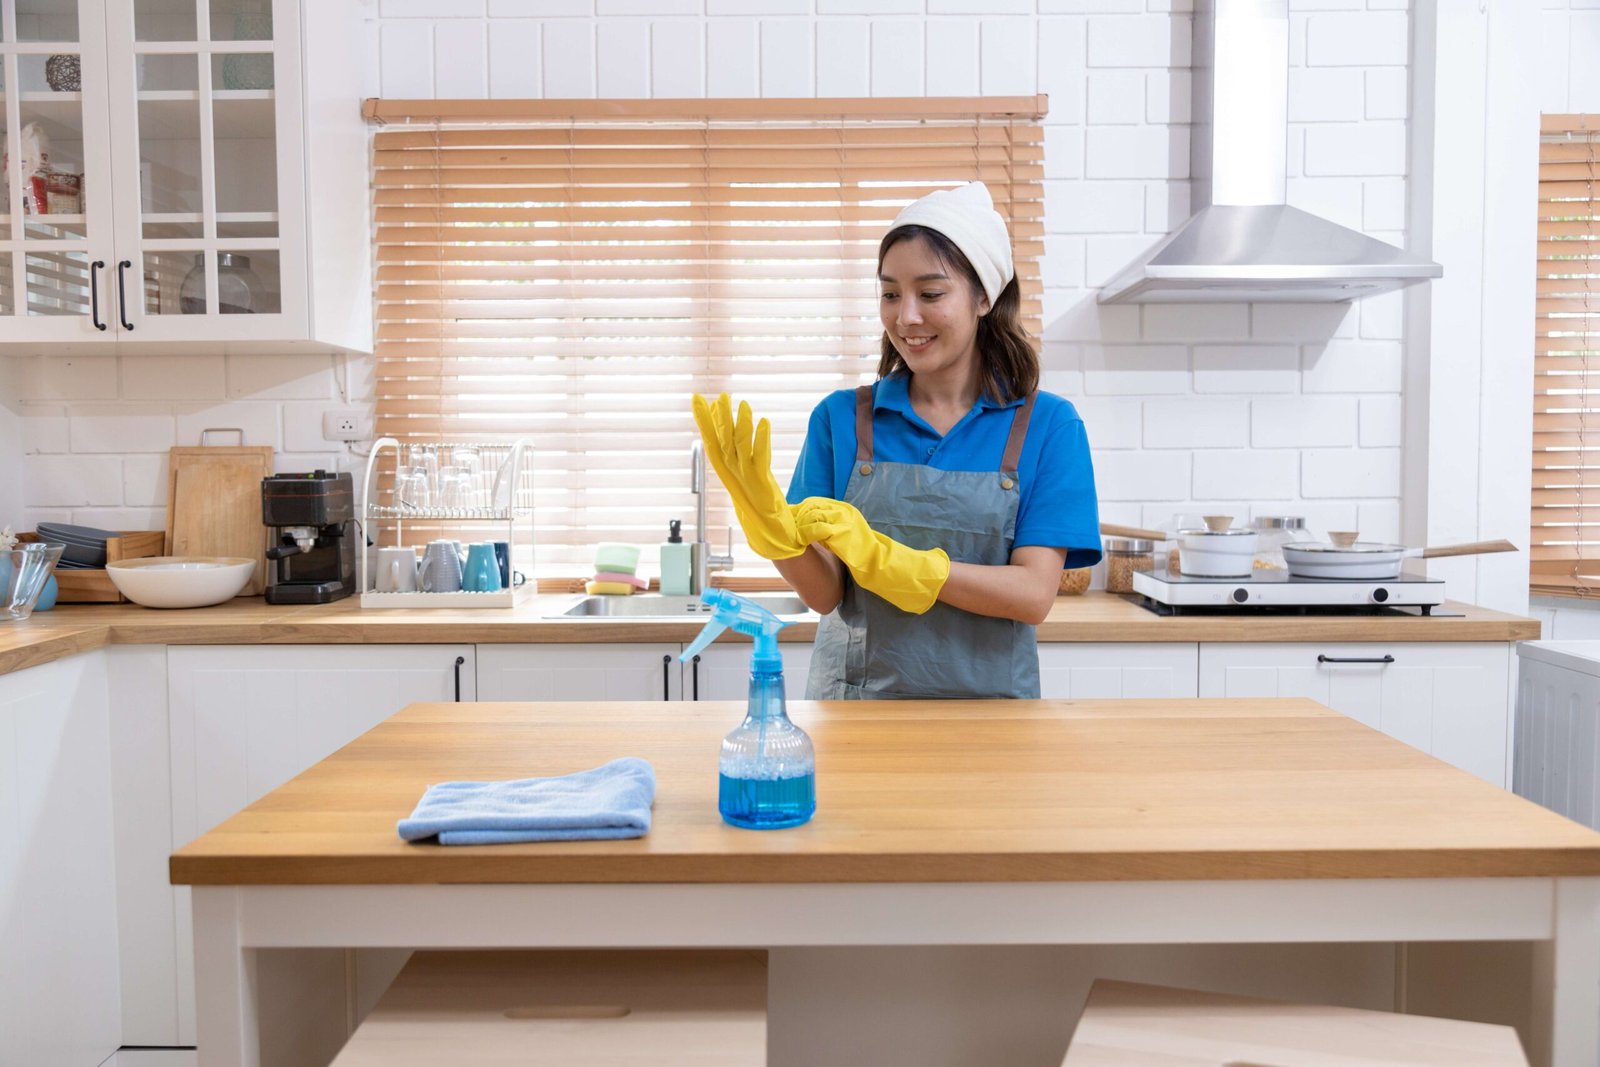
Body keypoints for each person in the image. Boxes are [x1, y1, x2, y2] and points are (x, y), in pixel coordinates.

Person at [693, 181, 1100, 699]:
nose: (905, 317)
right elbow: (825, 594)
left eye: (930, 293)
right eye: (890, 293)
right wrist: (772, 532)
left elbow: (1032, 595)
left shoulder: (1047, 425)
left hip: (993, 723)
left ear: (983, 298)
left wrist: (898, 564)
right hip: (856, 715)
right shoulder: (843, 419)